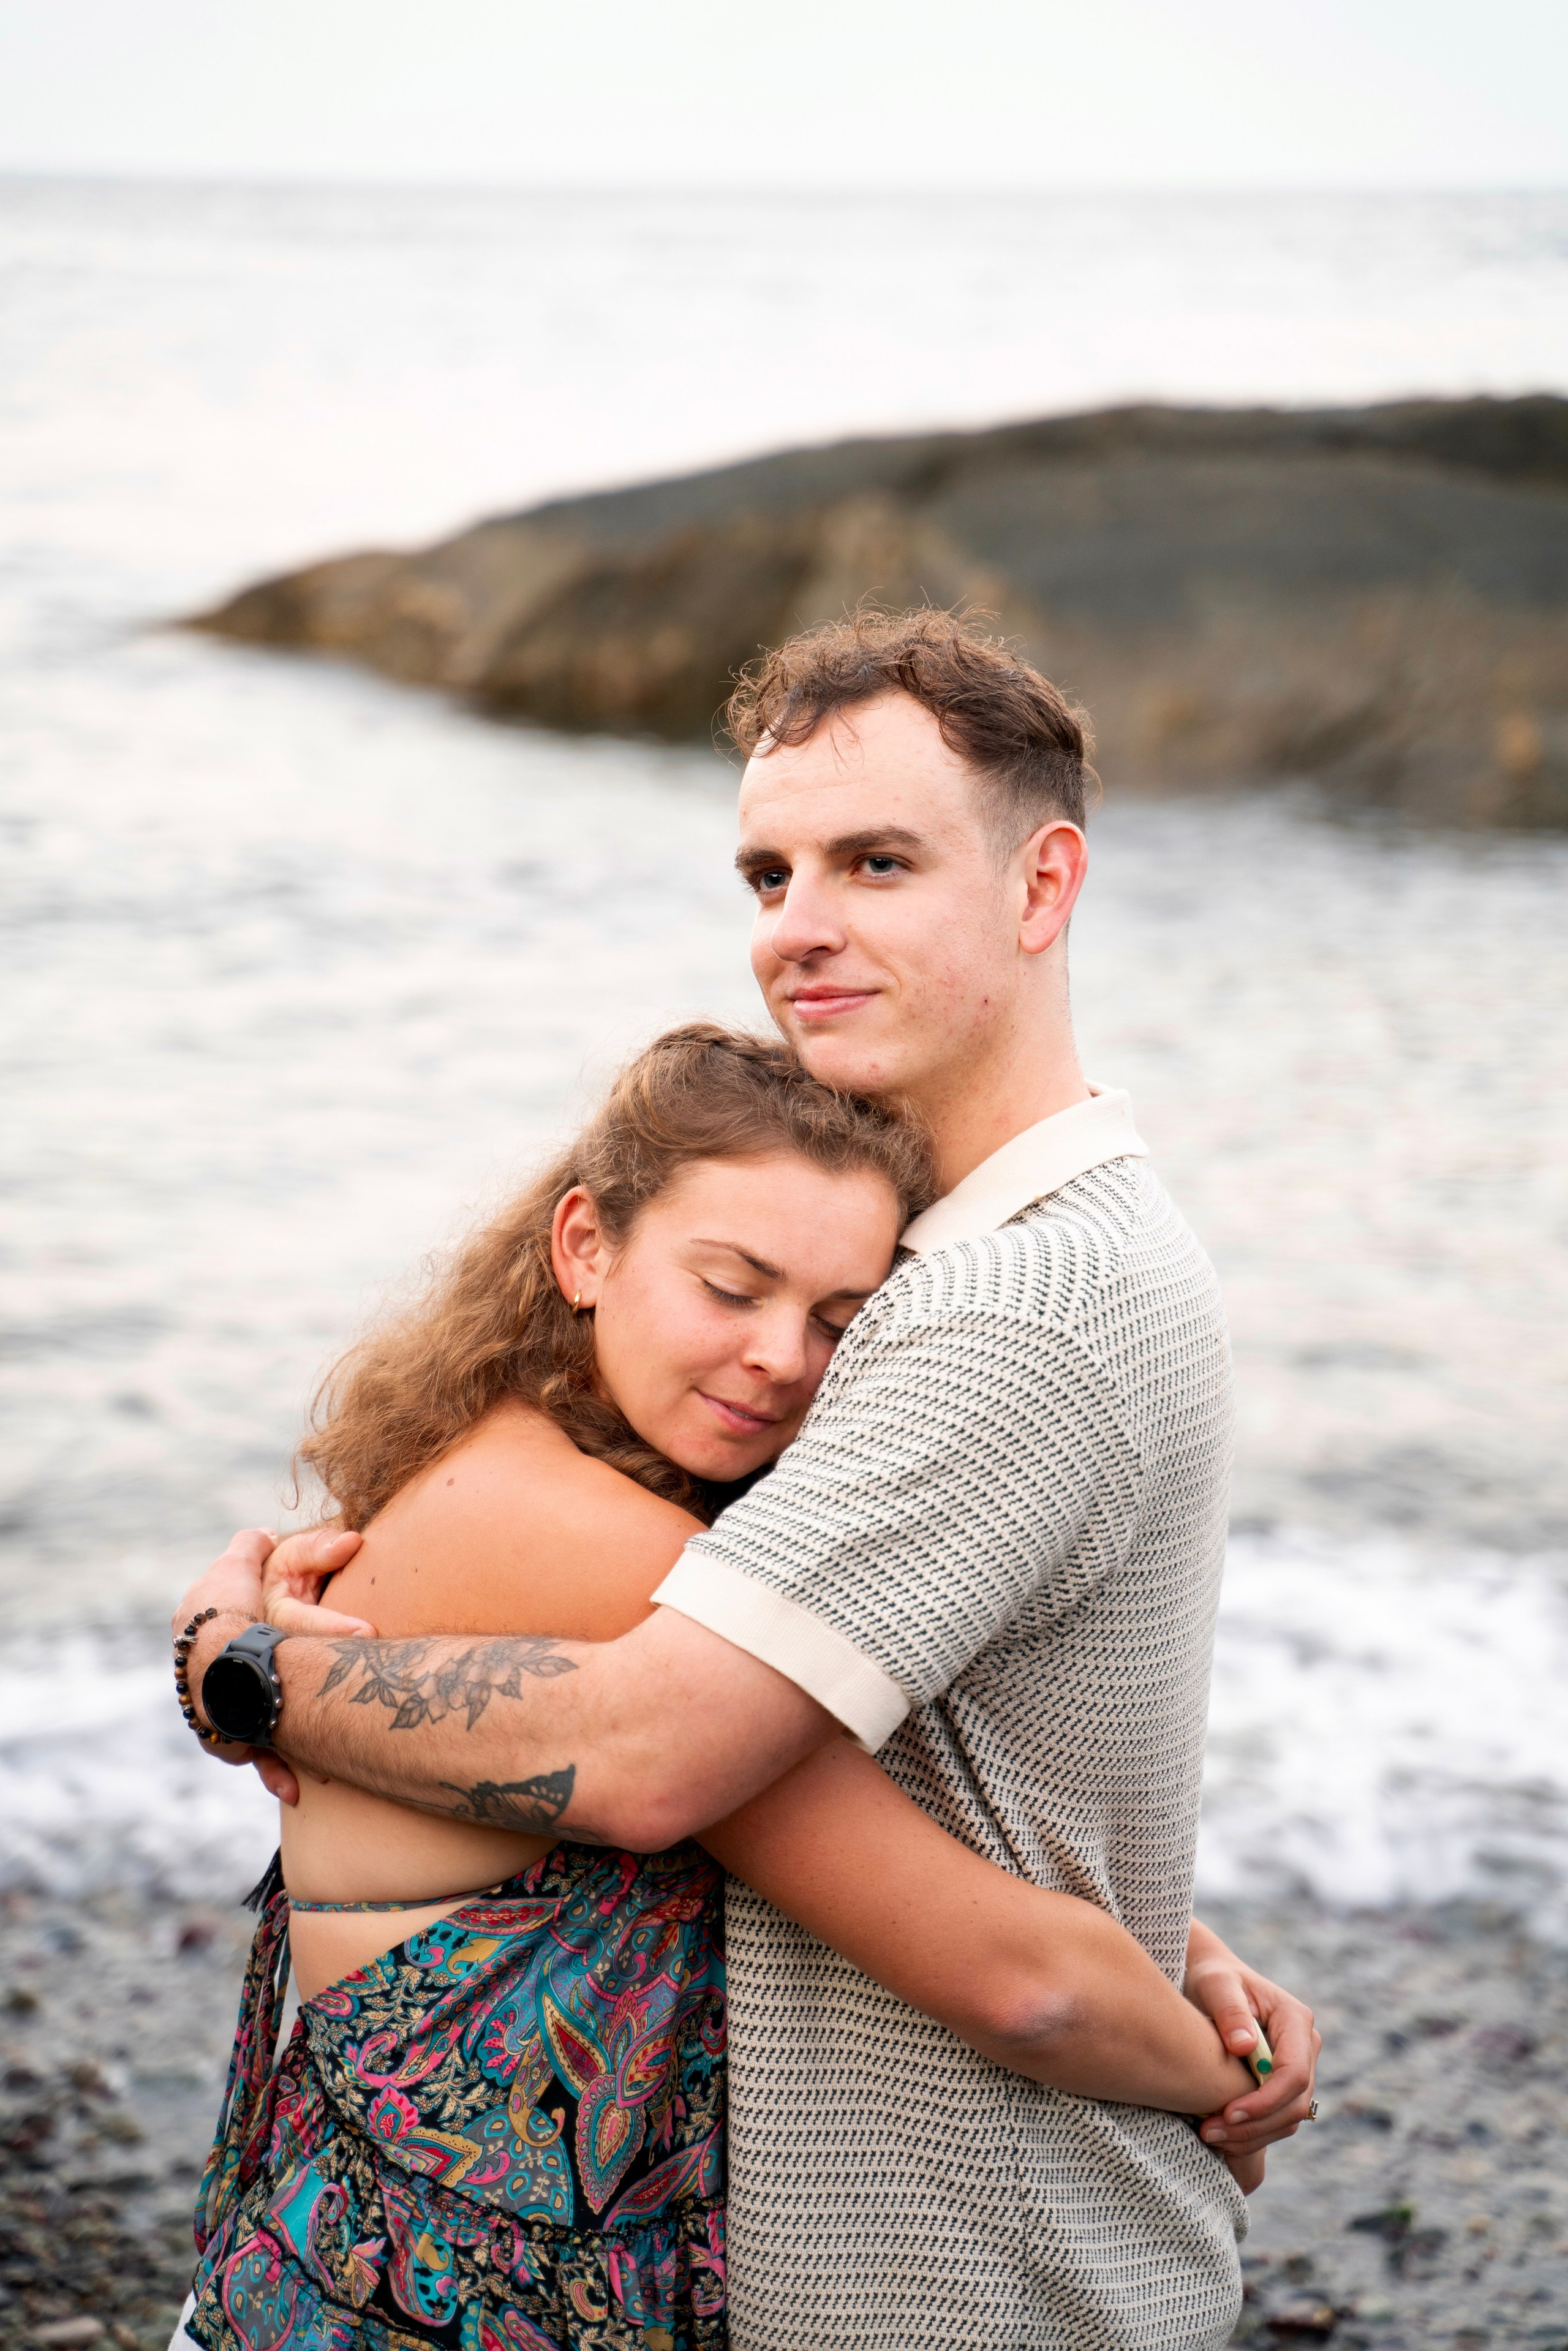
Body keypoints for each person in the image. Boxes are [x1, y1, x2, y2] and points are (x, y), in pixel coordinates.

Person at [177, 610, 1320, 2351]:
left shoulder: (1012, 1305)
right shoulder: (959, 1267)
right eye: (769, 874)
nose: (803, 927)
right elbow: (903, 1743)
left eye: (876, 862)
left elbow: (659, 1751)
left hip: (969, 2278)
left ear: (1041, 886)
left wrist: (247, 1671)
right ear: (591, 1250)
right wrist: (1175, 1968)